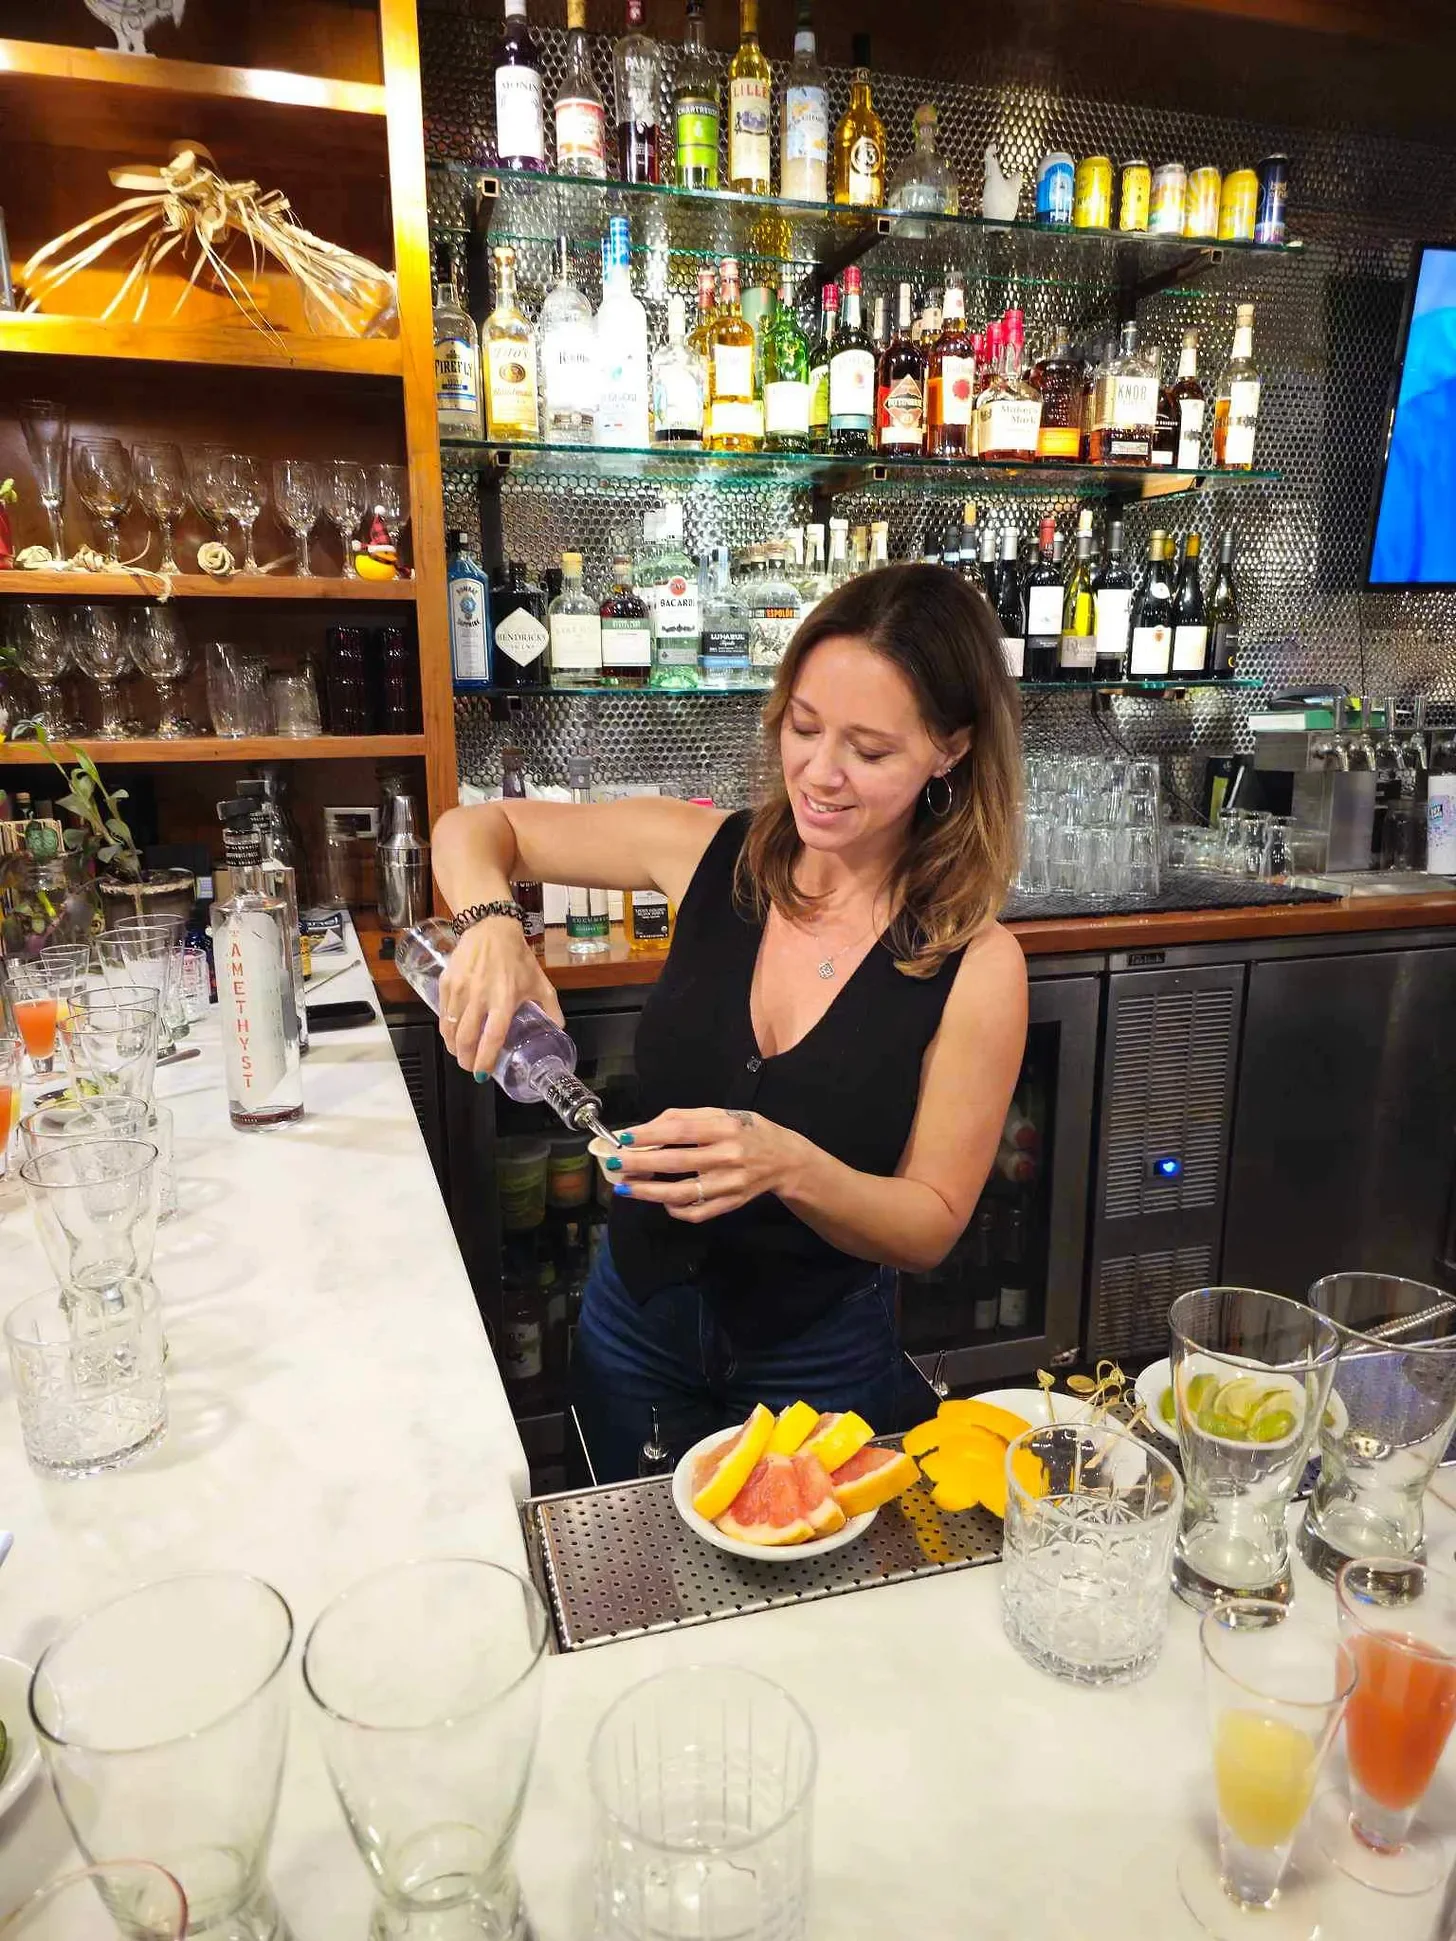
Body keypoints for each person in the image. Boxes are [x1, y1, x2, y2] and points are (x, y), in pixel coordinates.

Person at [432, 564, 1028, 1481]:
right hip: (632, 1327)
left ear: (950, 748)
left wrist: (790, 1165)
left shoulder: (976, 964)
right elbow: (473, 832)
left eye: (869, 750)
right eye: (803, 726)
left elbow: (930, 1223)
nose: (820, 774)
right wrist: (492, 927)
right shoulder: (707, 851)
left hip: (820, 1363)